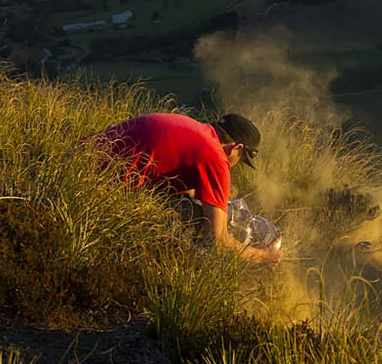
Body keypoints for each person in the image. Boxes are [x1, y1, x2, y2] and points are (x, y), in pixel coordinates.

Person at [92, 111, 283, 264]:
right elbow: (218, 242)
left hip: (80, 168)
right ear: (237, 149)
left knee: (192, 203)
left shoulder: (194, 130)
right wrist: (264, 256)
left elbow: (164, 174)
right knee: (197, 220)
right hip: (99, 194)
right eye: (241, 160)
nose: (235, 166)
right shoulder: (216, 156)